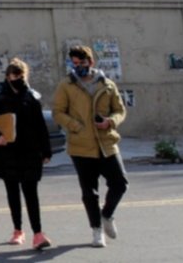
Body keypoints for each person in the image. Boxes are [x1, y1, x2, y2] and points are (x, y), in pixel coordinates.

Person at [52, 45, 128, 248]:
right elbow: (58, 112)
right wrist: (75, 125)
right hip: (81, 146)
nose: (78, 67)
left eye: (82, 63)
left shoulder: (107, 84)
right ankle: (96, 231)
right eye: (74, 64)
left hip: (106, 143)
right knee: (89, 192)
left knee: (120, 183)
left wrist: (110, 122)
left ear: (91, 62)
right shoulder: (66, 85)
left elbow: (120, 110)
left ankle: (107, 216)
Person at [0, 58, 53, 250]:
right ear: (7, 76)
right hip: (7, 150)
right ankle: (18, 230)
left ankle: (38, 234)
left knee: (31, 193)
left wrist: (46, 150)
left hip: (30, 150)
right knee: (12, 191)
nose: (18, 80)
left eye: (21, 77)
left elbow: (40, 125)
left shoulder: (30, 96)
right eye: (15, 76)